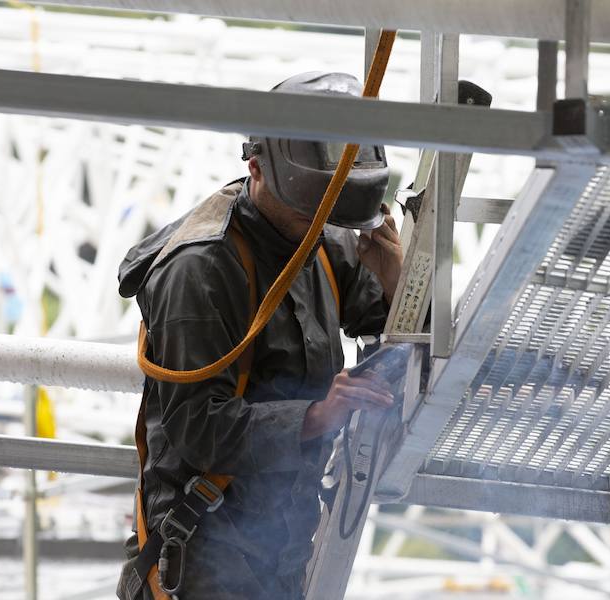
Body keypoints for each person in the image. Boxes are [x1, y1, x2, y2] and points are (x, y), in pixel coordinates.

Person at [116, 71, 403, 600]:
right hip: (204, 559)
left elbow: (392, 332)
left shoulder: (322, 236)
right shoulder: (201, 267)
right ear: (256, 167)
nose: (319, 224)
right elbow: (197, 427)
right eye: (308, 211)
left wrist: (397, 279)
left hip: (281, 553)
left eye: (329, 213)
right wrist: (316, 415)